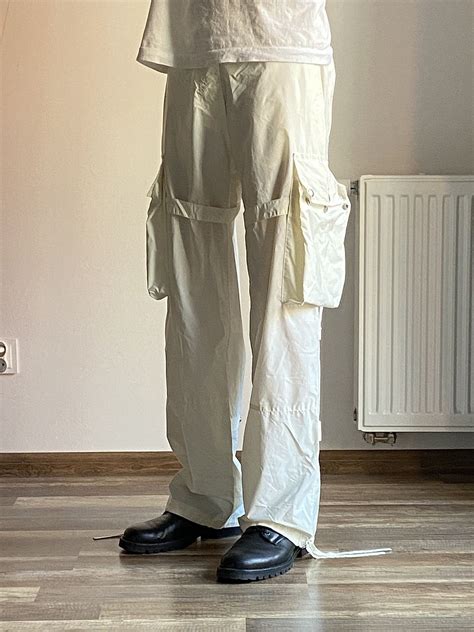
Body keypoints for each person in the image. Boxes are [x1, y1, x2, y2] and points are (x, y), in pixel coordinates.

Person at [119, 0, 391, 582]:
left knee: (285, 279)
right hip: (191, 41)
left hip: (281, 38)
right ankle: (205, 495)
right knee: (190, 280)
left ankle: (281, 514)